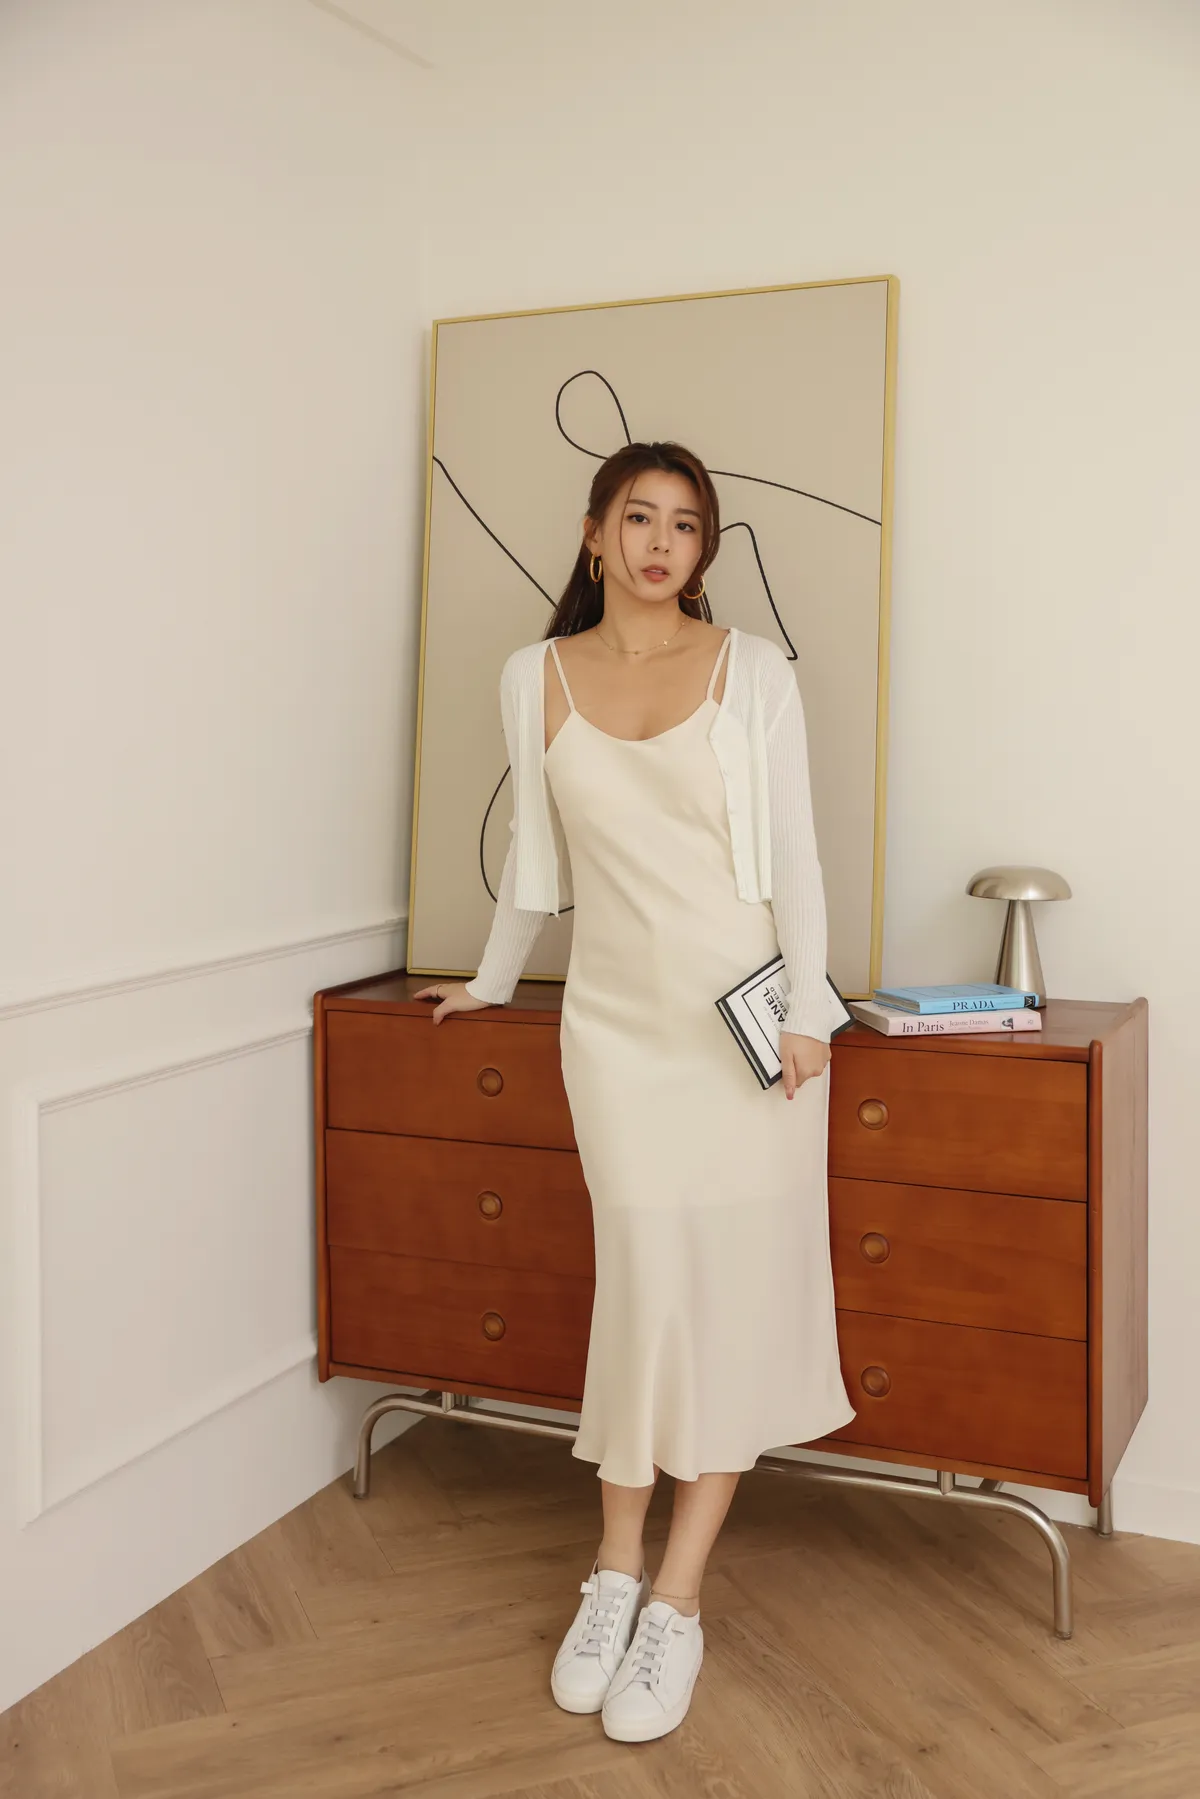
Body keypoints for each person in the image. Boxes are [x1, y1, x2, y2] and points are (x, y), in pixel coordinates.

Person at [414, 441, 855, 1744]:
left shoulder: (753, 670)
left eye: (686, 525)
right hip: (613, 1033)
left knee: (731, 1301)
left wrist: (810, 1012)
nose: (663, 543)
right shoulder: (536, 675)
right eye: (640, 518)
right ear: (595, 532)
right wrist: (491, 984)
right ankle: (611, 1572)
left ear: (702, 549)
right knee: (644, 1293)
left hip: (747, 1033)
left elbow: (800, 856)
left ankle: (676, 1595)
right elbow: (534, 859)